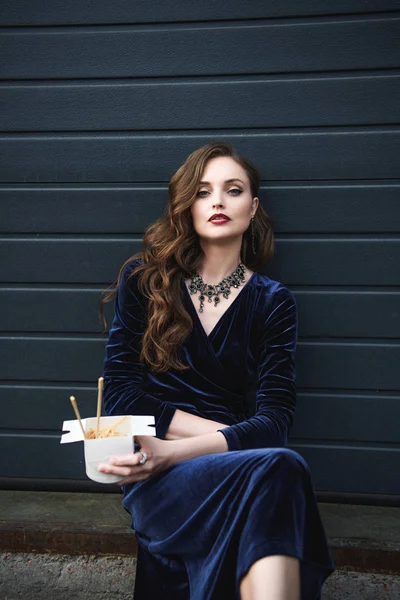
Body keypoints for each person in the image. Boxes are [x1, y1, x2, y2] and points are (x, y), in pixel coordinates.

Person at [98, 141, 335, 600]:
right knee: (279, 469)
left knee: (280, 467)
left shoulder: (272, 301)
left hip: (229, 461)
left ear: (254, 207)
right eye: (204, 192)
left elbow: (277, 421)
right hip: (156, 471)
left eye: (233, 190)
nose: (219, 202)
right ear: (187, 206)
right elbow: (122, 396)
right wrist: (226, 437)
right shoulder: (145, 281)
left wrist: (198, 447)